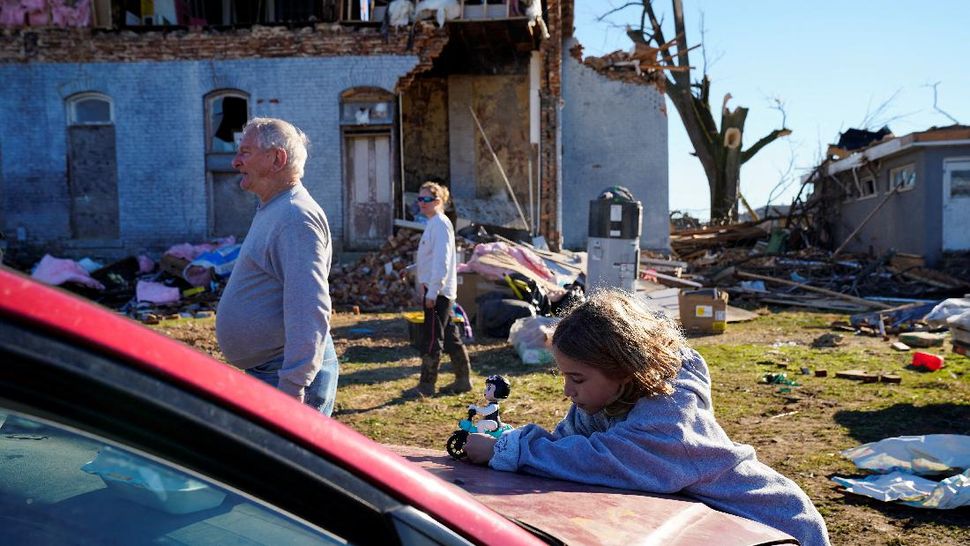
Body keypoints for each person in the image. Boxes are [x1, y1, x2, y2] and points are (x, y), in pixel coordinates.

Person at [463, 290, 830, 546]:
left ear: (623, 371)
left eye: (576, 379)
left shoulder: (670, 417)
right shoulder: (603, 397)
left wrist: (512, 452)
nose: (567, 392)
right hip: (712, 526)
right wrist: (508, 446)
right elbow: (568, 449)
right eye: (564, 376)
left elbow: (611, 459)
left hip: (774, 524)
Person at [216, 117, 338, 415]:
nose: (235, 162)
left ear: (276, 158)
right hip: (273, 370)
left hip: (284, 378)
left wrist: (293, 384)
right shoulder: (277, 207)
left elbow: (309, 305)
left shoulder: (295, 217)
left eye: (245, 152)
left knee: (287, 462)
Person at [408, 181, 472, 396]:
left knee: (432, 337)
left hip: (439, 292)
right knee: (450, 336)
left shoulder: (440, 224)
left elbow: (442, 262)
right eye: (419, 198)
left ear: (438, 201)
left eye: (426, 199)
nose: (421, 203)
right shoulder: (433, 224)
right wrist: (412, 269)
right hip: (436, 289)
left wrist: (433, 291)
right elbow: (431, 258)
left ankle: (427, 385)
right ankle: (463, 380)